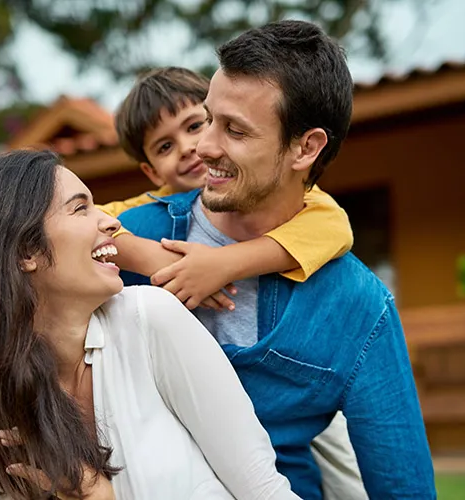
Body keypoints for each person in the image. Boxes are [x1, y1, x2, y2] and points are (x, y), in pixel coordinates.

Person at [117, 20, 437, 499]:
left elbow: (403, 486)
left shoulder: (358, 307)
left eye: (235, 131)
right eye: (209, 118)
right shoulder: (131, 235)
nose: (202, 149)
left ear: (305, 148)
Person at [0, 149, 303, 500]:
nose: (111, 222)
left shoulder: (150, 320)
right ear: (25, 253)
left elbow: (264, 489)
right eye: (80, 208)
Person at [100, 67, 366, 499]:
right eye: (165, 145)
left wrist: (223, 264)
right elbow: (83, 221)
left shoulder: (286, 191)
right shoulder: (155, 210)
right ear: (152, 172)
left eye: (194, 125)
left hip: (298, 384)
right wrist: (149, 254)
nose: (188, 148)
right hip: (219, 389)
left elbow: (335, 225)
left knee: (349, 478)